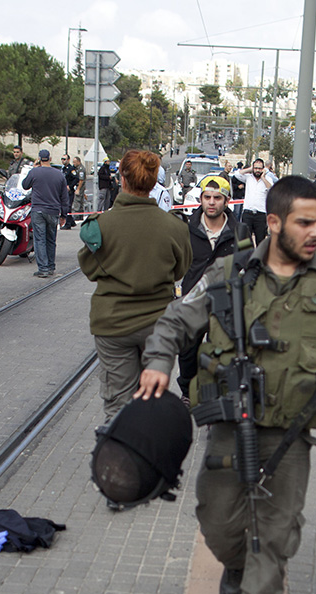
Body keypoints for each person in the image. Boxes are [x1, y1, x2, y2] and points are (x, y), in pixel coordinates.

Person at [135, 175, 316, 594]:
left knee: (274, 534)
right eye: (305, 222)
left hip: (291, 438)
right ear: (274, 222)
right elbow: (174, 322)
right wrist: (158, 360)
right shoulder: (228, 274)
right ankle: (234, 564)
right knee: (218, 520)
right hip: (228, 425)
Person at [79, 149, 192, 420]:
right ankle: (151, 455)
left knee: (118, 407)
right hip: (159, 327)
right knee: (153, 401)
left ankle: (118, 457)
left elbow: (89, 269)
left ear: (122, 179)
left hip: (113, 324)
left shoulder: (101, 225)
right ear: (154, 182)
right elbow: (181, 270)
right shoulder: (174, 227)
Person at [175, 175, 236, 402]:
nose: (211, 202)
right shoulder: (187, 229)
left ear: (226, 201)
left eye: (217, 198)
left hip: (225, 302)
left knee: (221, 351)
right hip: (193, 300)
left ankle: (216, 395)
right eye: (207, 197)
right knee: (188, 351)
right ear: (200, 199)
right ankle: (187, 392)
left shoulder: (238, 230)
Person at [21, 149, 69, 278]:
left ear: (39, 159)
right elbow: (64, 197)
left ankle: (43, 268)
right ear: (50, 158)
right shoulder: (59, 174)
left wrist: (34, 168)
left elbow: (25, 185)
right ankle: (51, 266)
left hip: (38, 210)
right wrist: (64, 215)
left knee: (40, 239)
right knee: (51, 239)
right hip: (53, 211)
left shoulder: (35, 172)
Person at [231, 159, 278, 245]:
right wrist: (250, 169)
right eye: (255, 168)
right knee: (245, 241)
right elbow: (237, 174)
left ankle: (258, 258)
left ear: (263, 169)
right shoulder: (248, 178)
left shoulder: (267, 179)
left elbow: (271, 190)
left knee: (260, 241)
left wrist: (263, 177)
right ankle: (246, 258)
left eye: (259, 168)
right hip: (248, 213)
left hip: (260, 214)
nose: (257, 170)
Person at [70, 155, 87, 225]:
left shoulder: (81, 169)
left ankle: (77, 216)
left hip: (79, 187)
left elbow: (81, 180)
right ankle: (80, 215)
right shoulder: (76, 168)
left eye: (75, 162)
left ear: (78, 162)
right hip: (78, 187)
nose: (73, 163)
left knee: (77, 201)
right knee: (80, 201)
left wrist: (78, 189)